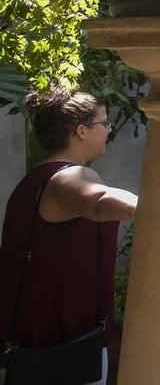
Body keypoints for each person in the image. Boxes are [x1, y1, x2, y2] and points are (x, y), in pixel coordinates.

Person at [0, 88, 138, 385]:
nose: (108, 129)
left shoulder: (32, 182)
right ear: (81, 131)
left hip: (36, 341)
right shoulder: (68, 179)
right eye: (104, 123)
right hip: (65, 344)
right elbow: (99, 201)